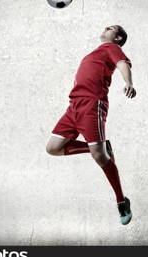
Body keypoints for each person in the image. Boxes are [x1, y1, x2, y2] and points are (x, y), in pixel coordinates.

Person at [46, 25, 136, 225]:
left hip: (91, 105)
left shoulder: (112, 48)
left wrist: (128, 82)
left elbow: (122, 64)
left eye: (111, 28)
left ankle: (122, 201)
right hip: (73, 106)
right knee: (52, 148)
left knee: (100, 157)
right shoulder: (96, 51)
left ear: (118, 37)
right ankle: (101, 149)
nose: (106, 28)